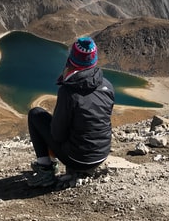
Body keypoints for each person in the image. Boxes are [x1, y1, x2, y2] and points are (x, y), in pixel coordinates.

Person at [27, 36, 115, 188]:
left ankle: (46, 170)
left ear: (72, 60)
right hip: (101, 155)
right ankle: (66, 166)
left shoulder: (69, 92)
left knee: (36, 114)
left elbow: (57, 134)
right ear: (94, 61)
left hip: (79, 159)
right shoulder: (107, 85)